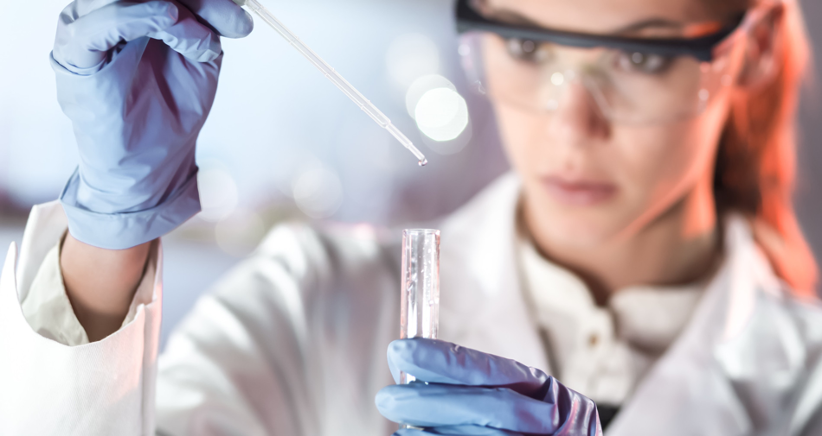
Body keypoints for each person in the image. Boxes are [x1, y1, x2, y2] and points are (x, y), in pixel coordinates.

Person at [1, 0, 821, 434]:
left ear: (745, 52)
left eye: (640, 57)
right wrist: (110, 233)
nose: (571, 127)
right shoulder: (314, 300)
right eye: (529, 45)